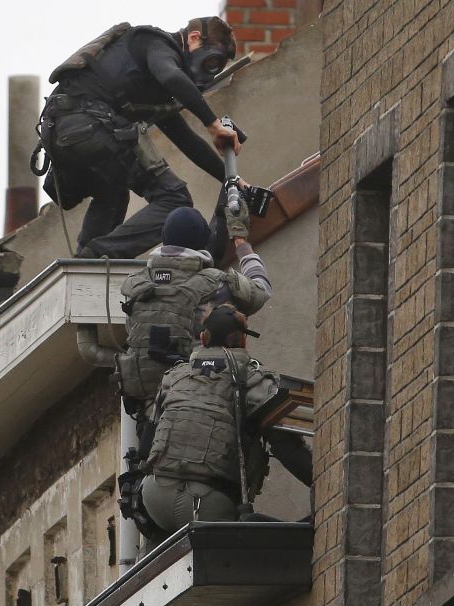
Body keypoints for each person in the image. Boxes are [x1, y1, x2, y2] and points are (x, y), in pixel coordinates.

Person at [39, 17, 242, 259]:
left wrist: (231, 179)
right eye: (210, 61)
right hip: (90, 124)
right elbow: (172, 77)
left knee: (112, 192)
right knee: (174, 199)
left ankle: (84, 265)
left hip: (62, 132)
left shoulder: (151, 85)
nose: (209, 71)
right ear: (194, 38)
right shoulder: (156, 44)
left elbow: (186, 140)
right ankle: (96, 257)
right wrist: (213, 123)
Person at [139, 304, 311, 538]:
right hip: (207, 504)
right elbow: (287, 447)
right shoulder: (251, 380)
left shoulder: (175, 376)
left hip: (153, 497)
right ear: (242, 340)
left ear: (203, 337)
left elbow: (147, 443)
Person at [115, 188, 269, 412]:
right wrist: (240, 242)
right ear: (201, 243)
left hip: (148, 408)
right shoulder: (217, 284)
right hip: (199, 403)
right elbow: (261, 290)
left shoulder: (135, 286)